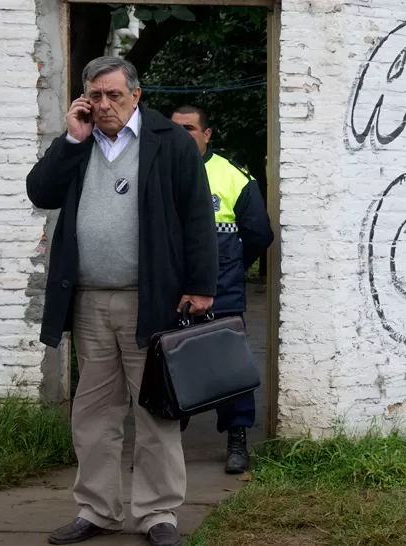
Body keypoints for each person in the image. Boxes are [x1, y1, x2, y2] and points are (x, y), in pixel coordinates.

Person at [26, 56, 217, 546]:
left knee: (155, 410)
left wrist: (201, 286)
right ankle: (97, 510)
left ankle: (157, 515)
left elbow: (197, 216)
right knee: (93, 413)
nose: (104, 104)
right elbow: (40, 192)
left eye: (114, 94)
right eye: (96, 94)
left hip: (150, 300)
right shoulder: (79, 142)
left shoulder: (169, 142)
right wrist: (71, 139)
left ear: (136, 95)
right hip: (89, 299)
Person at [170, 105, 273, 474]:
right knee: (170, 368)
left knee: (229, 369)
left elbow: (259, 235)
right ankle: (165, 449)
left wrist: (230, 269)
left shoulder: (233, 178)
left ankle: (237, 439)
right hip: (169, 292)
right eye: (175, 129)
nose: (182, 135)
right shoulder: (156, 170)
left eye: (190, 129)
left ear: (207, 134)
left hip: (222, 292)